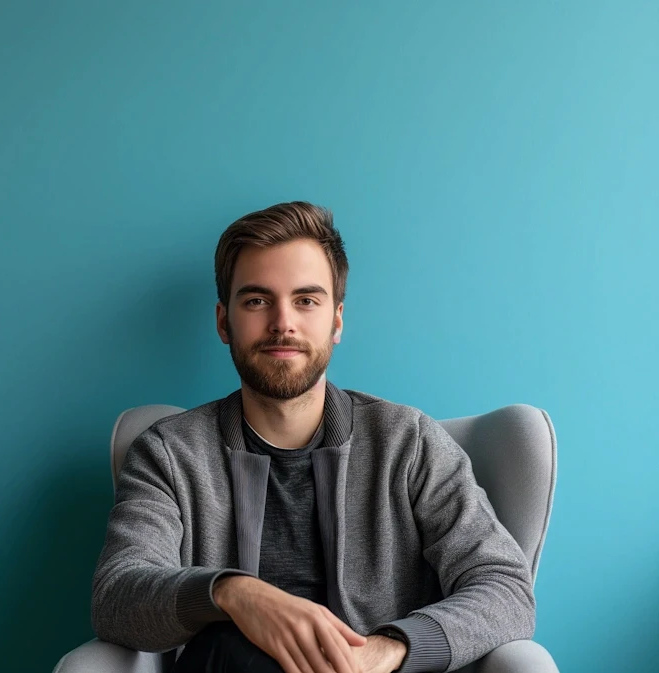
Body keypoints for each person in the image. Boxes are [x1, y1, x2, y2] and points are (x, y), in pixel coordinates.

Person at [90, 202, 535, 673]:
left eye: (306, 300)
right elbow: (117, 596)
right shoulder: (169, 455)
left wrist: (385, 652)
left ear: (336, 320)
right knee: (225, 641)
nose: (284, 322)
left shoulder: (408, 443)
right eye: (257, 301)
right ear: (224, 321)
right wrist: (231, 593)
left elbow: (505, 588)